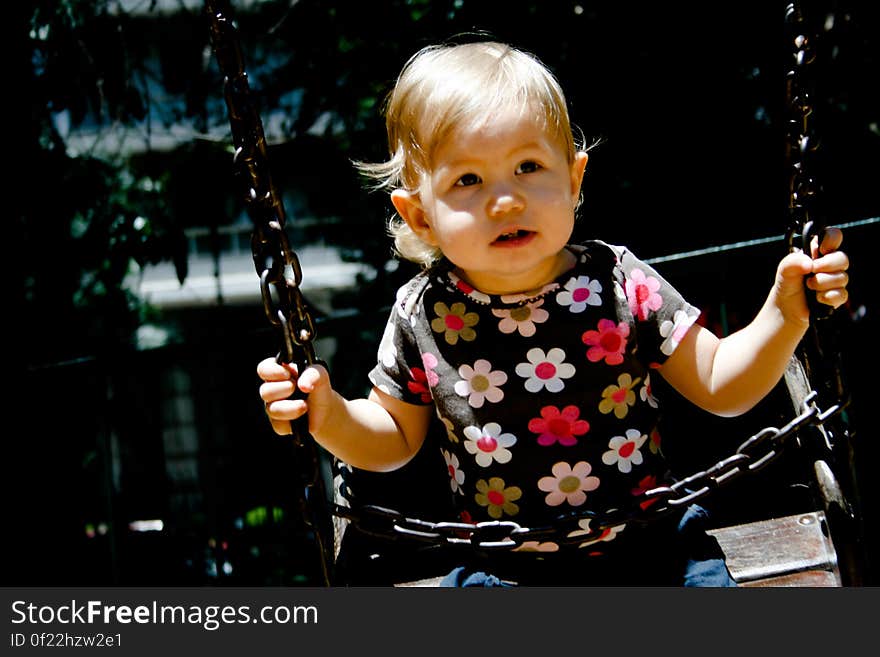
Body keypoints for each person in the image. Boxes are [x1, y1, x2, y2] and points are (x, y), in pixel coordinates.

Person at [257, 40, 850, 586]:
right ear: (419, 216)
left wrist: (786, 311)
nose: (506, 198)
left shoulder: (617, 282)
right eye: (468, 179)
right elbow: (391, 439)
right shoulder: (424, 313)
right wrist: (328, 413)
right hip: (506, 570)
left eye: (528, 167)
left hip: (652, 548)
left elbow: (723, 385)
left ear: (573, 177)